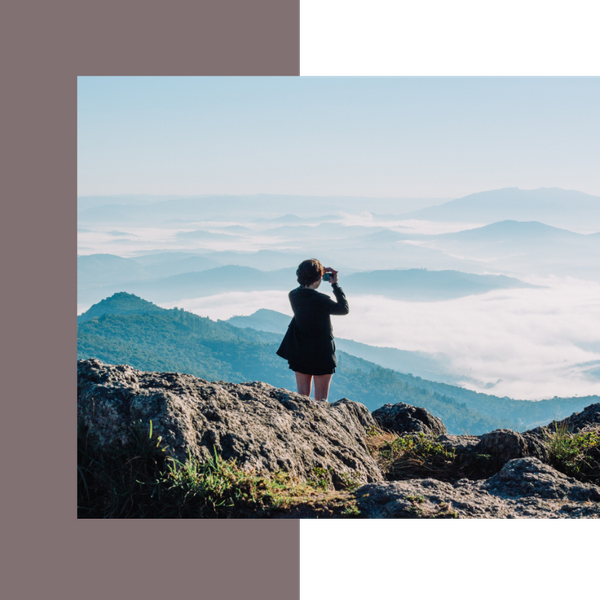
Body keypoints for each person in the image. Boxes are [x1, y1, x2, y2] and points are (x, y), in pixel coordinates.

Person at [276, 258, 349, 402]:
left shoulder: (293, 295)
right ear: (317, 278)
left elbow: (304, 290)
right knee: (321, 400)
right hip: (322, 352)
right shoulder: (321, 299)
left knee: (302, 398)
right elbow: (344, 309)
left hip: (300, 349)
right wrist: (335, 285)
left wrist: (318, 272)